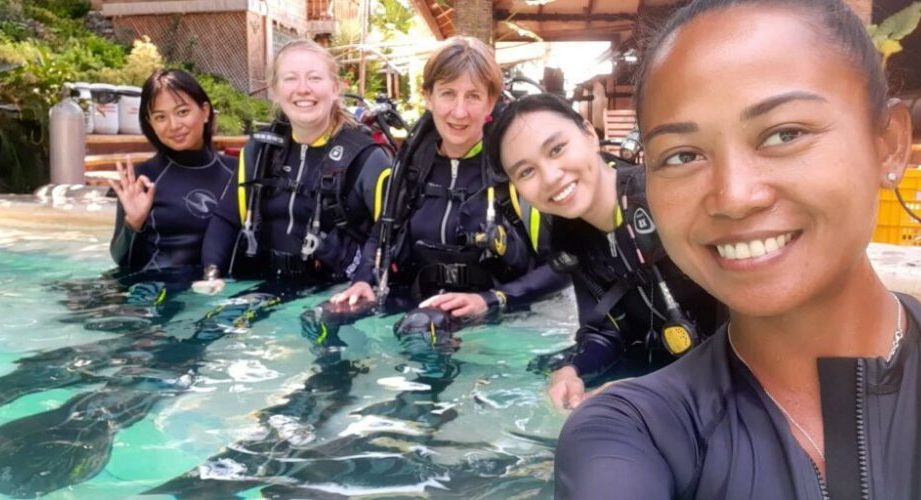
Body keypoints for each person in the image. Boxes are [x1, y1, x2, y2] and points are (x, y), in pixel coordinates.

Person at [555, 1, 921, 498]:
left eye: (784, 134)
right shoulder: (636, 431)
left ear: (889, 144)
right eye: (682, 155)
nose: (733, 196)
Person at [322, 36, 567, 345]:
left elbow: (564, 265)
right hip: (419, 305)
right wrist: (363, 280)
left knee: (423, 334)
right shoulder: (412, 168)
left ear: (491, 102)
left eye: (473, 96)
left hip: (501, 313)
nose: (459, 111)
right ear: (428, 97)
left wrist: (494, 300)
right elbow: (382, 233)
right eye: (448, 94)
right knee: (325, 318)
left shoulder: (516, 169)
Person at [487, 93, 722, 410]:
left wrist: (657, 390)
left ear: (589, 133)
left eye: (557, 149)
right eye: (526, 172)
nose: (551, 177)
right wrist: (571, 370)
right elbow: (606, 330)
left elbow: (755, 324)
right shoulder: (573, 238)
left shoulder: (665, 197)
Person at [198, 39, 390, 300]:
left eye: (314, 78)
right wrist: (212, 275)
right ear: (275, 91)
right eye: (290, 79)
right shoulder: (261, 151)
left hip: (337, 292)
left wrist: (364, 280)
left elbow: (391, 233)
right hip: (264, 284)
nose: (303, 89)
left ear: (335, 88)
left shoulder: (367, 157)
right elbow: (227, 219)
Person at [108, 69, 237, 282]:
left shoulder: (237, 173)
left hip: (218, 289)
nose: (174, 125)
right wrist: (134, 223)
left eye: (183, 112)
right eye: (160, 117)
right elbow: (121, 261)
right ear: (150, 123)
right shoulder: (142, 180)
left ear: (205, 112)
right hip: (155, 290)